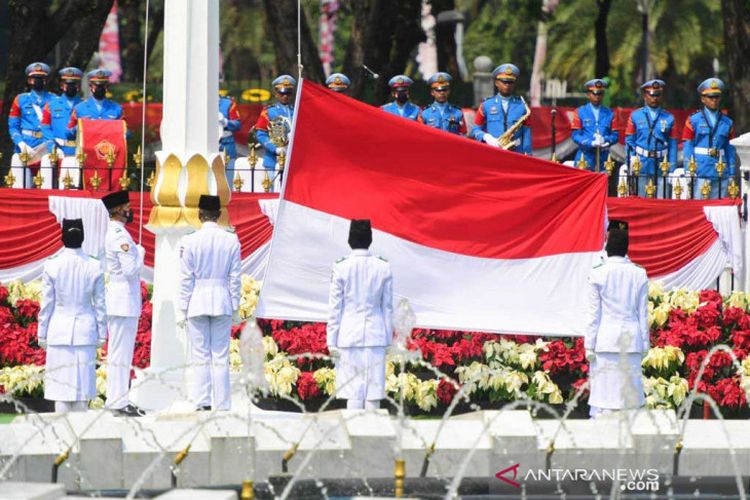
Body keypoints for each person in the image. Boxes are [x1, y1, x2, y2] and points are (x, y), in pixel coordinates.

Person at [178, 195, 242, 411]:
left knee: (200, 354)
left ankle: (202, 401)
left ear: (199, 214)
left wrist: (182, 307)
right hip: (222, 299)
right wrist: (235, 306)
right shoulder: (231, 239)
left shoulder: (190, 240)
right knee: (220, 355)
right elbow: (235, 277)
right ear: (219, 214)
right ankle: (222, 403)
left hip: (198, 300)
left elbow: (186, 278)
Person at [38, 219, 107, 413]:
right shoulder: (94, 266)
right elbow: (100, 304)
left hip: (58, 330)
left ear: (62, 237)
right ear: (83, 237)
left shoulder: (52, 265)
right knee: (82, 390)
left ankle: (63, 441)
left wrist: (42, 333)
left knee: (60, 391)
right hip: (85, 331)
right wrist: (102, 333)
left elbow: (47, 304)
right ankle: (78, 440)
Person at [327, 220, 394, 411]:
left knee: (352, 392)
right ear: (370, 239)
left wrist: (332, 340)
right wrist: (388, 339)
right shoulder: (383, 266)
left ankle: (353, 437)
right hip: (376, 335)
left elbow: (335, 308)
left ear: (350, 239)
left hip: (349, 336)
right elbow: (387, 307)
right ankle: (374, 438)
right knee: (373, 393)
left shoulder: (341, 266)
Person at [585, 228, 648, 418]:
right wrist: (645, 344)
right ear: (626, 248)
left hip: (606, 341)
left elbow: (593, 314)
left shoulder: (598, 273)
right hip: (631, 341)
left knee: (603, 402)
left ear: (607, 246)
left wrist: (589, 345)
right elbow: (643, 314)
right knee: (630, 403)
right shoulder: (638, 273)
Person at [101, 191, 146, 417]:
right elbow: (130, 270)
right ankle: (117, 401)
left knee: (121, 353)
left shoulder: (119, 232)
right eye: (127, 207)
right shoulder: (120, 235)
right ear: (117, 210)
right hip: (122, 300)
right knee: (120, 353)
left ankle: (118, 399)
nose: (130, 211)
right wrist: (140, 254)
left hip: (122, 300)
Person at [681, 78, 736, 199]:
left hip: (721, 170)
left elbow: (730, 148)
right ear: (703, 99)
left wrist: (732, 172)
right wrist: (688, 170)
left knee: (719, 209)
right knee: (699, 209)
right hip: (701, 170)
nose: (714, 100)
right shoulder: (693, 120)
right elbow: (688, 146)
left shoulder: (727, 122)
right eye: (710, 97)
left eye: (716, 97)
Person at [624, 80, 678, 197]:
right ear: (645, 96)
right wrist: (630, 161)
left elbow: (673, 145)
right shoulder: (635, 115)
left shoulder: (669, 117)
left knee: (661, 200)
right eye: (652, 95)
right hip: (642, 163)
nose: (655, 98)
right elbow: (629, 141)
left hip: (661, 164)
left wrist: (672, 168)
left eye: (657, 95)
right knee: (641, 199)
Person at [470, 63, 532, 154]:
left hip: (516, 154)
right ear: (496, 83)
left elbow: (527, 135)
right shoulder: (486, 105)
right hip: (493, 153)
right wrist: (486, 137)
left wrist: (528, 155)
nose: (507, 85)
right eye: (504, 81)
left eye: (510, 82)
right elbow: (475, 130)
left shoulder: (522, 106)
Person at [8, 62, 55, 177]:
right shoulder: (20, 99)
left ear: (45, 80)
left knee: (46, 187)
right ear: (29, 81)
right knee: (22, 188)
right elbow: (13, 126)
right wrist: (21, 143)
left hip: (46, 147)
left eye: (41, 78)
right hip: (26, 146)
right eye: (35, 78)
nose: (38, 81)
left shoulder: (55, 100)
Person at [571, 79, 619, 172]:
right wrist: (590, 142)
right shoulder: (580, 111)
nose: (597, 96)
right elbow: (575, 135)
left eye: (600, 93)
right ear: (588, 94)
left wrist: (605, 139)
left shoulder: (610, 113)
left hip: (603, 158)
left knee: (603, 185)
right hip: (585, 156)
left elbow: (615, 135)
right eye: (594, 93)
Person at [255, 74, 296, 178]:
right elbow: (261, 134)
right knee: (273, 191)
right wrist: (275, 149)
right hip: (273, 159)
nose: (285, 96)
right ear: (276, 94)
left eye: (288, 93)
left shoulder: (298, 110)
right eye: (282, 93)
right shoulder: (269, 111)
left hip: (294, 159)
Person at [41, 67, 83, 160]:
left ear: (78, 86)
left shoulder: (84, 105)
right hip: (58, 150)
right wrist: (52, 147)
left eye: (74, 84)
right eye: (68, 84)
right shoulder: (51, 105)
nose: (71, 87)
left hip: (79, 152)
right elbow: (45, 127)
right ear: (61, 85)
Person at [67, 69, 123, 137]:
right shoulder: (79, 108)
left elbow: (127, 132)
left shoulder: (117, 108)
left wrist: (121, 131)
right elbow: (68, 132)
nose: (100, 88)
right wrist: (79, 127)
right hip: (88, 146)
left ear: (107, 87)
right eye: (97, 85)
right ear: (90, 86)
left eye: (102, 86)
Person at [219, 93, 242, 184]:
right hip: (206, 145)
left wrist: (225, 122)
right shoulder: (200, 102)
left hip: (226, 146)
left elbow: (237, 124)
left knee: (227, 182)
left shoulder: (227, 103)